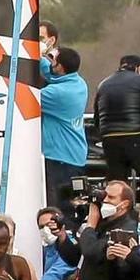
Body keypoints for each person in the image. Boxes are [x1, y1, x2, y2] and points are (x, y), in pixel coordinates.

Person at [91, 54, 140, 198]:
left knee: (117, 187)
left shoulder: (103, 84)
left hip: (110, 139)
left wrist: (102, 135)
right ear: (139, 68)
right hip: (137, 136)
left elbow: (97, 116)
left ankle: (119, 215)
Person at [38, 46, 88, 214]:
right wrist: (38, 55)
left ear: (60, 67)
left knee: (58, 208)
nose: (49, 60)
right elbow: (50, 73)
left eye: (53, 59)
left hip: (61, 158)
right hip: (74, 154)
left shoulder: (58, 93)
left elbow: (25, 97)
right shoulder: (77, 83)